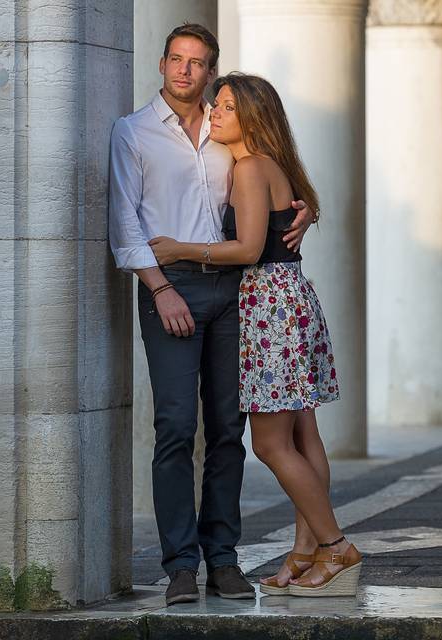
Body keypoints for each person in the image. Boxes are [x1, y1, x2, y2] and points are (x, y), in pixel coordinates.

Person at [107, 24, 315, 605]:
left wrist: (306, 212)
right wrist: (159, 288)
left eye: (198, 63)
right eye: (176, 59)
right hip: (171, 290)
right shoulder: (134, 132)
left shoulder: (230, 131)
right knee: (175, 426)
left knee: (229, 431)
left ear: (211, 70)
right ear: (161, 63)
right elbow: (125, 224)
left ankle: (223, 558)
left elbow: (280, 185)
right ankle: (179, 564)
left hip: (238, 293)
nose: (184, 71)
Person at [148, 72, 362, 598]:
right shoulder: (272, 165)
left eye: (224, 106)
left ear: (251, 116)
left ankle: (335, 547)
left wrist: (179, 250)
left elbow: (246, 250)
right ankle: (305, 552)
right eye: (214, 104)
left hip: (270, 308)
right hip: (290, 300)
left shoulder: (248, 168)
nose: (214, 112)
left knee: (269, 443)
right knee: (302, 436)